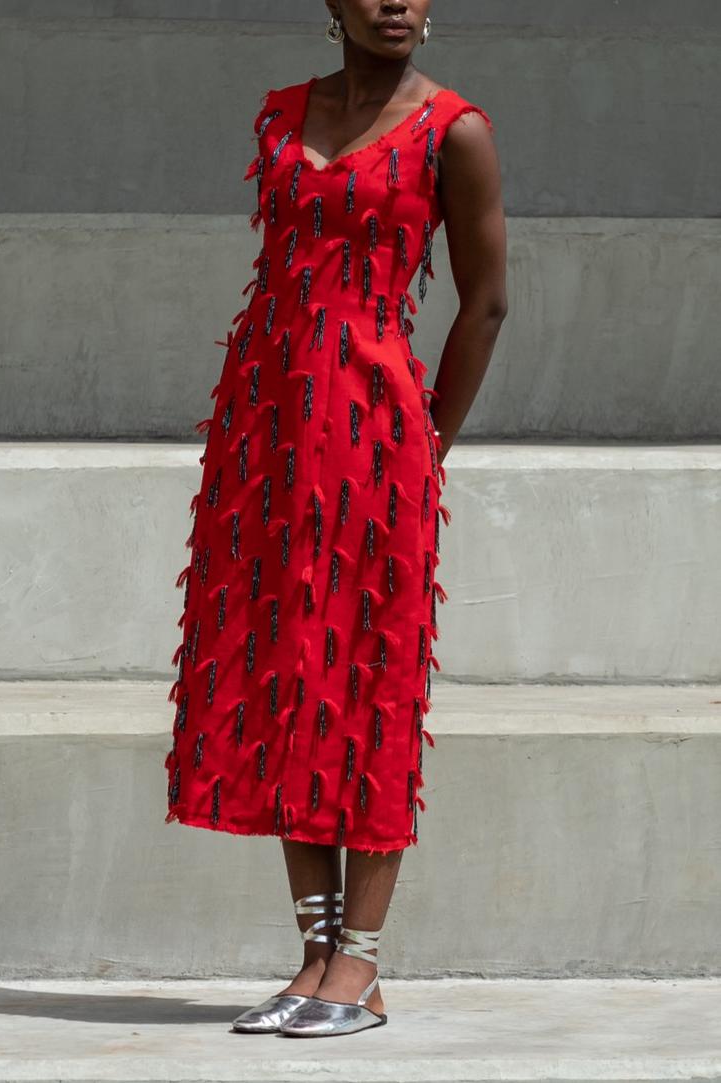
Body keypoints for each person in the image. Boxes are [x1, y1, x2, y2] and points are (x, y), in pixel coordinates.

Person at [164, 0, 507, 1038]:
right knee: (281, 669)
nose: (398, 2)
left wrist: (425, 439)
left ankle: (359, 959)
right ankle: (312, 953)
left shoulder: (453, 130)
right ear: (332, 4)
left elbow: (485, 302)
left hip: (373, 429)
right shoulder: (277, 116)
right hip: (262, 431)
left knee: (363, 673)